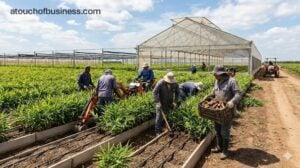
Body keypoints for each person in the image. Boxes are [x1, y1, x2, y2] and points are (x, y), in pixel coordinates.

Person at [207, 66, 241, 160]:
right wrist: (209, 96)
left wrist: (232, 102)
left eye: (215, 74)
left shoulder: (232, 81)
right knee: (217, 130)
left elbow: (238, 94)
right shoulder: (217, 81)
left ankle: (225, 151)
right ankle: (219, 147)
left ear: (220, 74)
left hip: (227, 111)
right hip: (217, 111)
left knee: (224, 131)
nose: (214, 75)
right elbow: (214, 93)